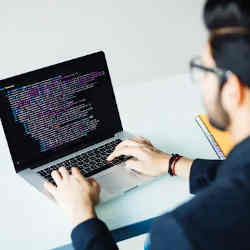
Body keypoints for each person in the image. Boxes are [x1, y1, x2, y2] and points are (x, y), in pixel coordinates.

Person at [44, 0, 250, 249]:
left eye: (204, 69)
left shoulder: (186, 231)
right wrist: (171, 163)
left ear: (233, 90)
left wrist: (81, 215)